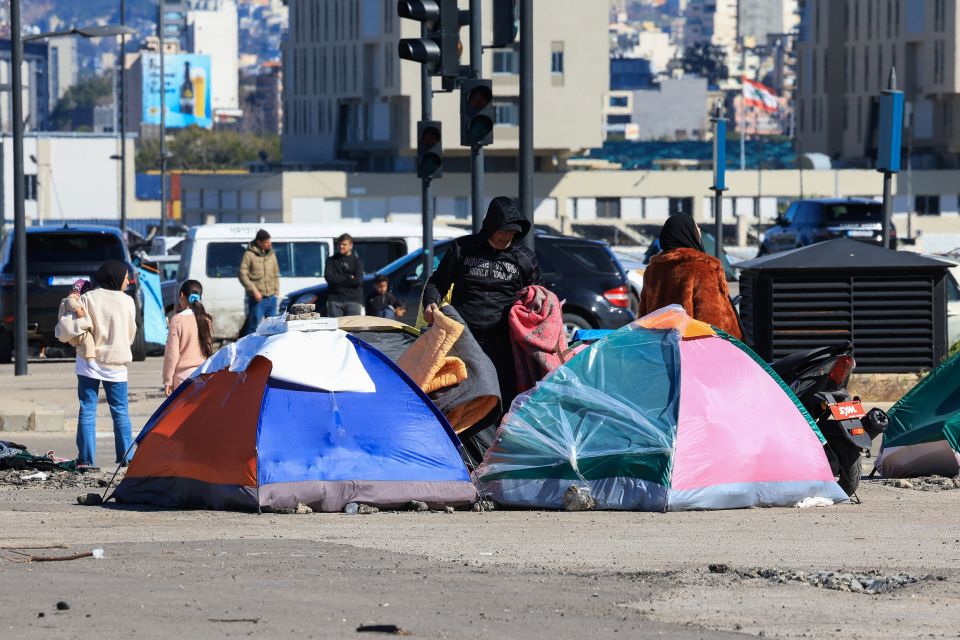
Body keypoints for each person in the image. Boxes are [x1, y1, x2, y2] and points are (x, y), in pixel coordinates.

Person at [423, 196, 542, 410]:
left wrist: (540, 298)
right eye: (503, 231)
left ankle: (501, 437)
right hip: (466, 338)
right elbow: (437, 282)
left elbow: (539, 292)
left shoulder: (523, 257)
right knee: (466, 397)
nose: (507, 237)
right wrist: (430, 302)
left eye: (512, 233)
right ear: (491, 227)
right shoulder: (462, 248)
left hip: (504, 341)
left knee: (505, 395)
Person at [73, 261, 137, 469]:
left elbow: (79, 327)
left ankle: (85, 459)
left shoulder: (88, 298)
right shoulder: (127, 301)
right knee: (120, 411)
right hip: (116, 362)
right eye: (127, 276)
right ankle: (126, 457)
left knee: (87, 409)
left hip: (88, 361)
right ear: (116, 277)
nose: (129, 280)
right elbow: (131, 333)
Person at [638, 214, 743, 339]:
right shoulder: (701, 267)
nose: (698, 231)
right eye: (696, 227)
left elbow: (645, 316)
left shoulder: (653, 270)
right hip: (695, 348)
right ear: (688, 233)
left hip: (661, 347)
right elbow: (711, 317)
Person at [162, 280, 215, 396]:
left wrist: (167, 380)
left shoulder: (177, 320)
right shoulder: (206, 320)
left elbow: (172, 354)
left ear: (182, 295)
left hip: (183, 379)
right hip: (204, 374)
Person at [239, 229, 280, 336]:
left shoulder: (272, 254)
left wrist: (276, 290)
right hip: (257, 299)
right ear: (259, 242)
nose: (269, 244)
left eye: (269, 241)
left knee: (274, 327)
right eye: (266, 242)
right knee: (253, 328)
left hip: (272, 298)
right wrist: (254, 291)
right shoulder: (249, 254)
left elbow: (276, 273)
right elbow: (242, 274)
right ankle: (249, 351)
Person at [324, 233, 364, 317]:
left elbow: (358, 281)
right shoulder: (331, 260)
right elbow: (329, 278)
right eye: (339, 244)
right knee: (336, 328)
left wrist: (338, 279)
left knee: (353, 329)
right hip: (335, 300)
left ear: (350, 245)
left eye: (344, 244)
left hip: (353, 301)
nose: (341, 246)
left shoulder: (357, 261)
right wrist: (348, 277)